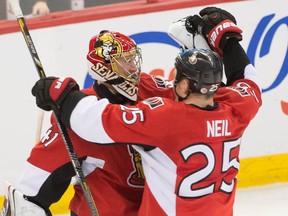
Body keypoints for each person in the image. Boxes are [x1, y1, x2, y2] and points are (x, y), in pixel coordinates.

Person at [31, 7, 262, 215]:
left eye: (178, 77)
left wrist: (59, 93)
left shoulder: (166, 118)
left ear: (183, 86)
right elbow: (247, 81)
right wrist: (228, 40)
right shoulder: (236, 109)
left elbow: (97, 120)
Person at [1, 30, 176, 216]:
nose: (134, 68)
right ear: (104, 66)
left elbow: (192, 97)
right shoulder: (76, 115)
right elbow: (32, 190)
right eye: (125, 61)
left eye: (133, 59)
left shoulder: (148, 87)